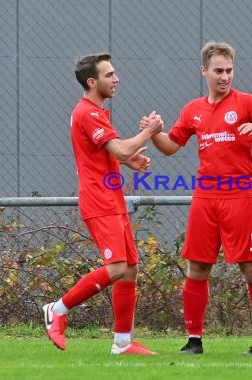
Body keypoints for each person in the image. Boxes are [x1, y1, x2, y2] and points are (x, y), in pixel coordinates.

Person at [142, 41, 252, 355]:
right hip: (205, 198)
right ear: (204, 71)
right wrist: (152, 132)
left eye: (229, 70)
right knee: (198, 268)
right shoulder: (193, 110)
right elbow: (171, 145)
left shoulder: (247, 102)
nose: (225, 76)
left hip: (240, 197)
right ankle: (194, 341)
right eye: (218, 71)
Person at [42, 53, 163, 355]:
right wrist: (149, 132)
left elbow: (109, 152)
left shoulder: (95, 112)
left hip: (112, 198)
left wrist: (129, 160)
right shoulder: (88, 113)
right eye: (109, 75)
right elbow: (119, 149)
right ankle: (56, 309)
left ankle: (122, 343)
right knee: (117, 267)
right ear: (92, 81)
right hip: (99, 201)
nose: (116, 79)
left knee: (131, 268)